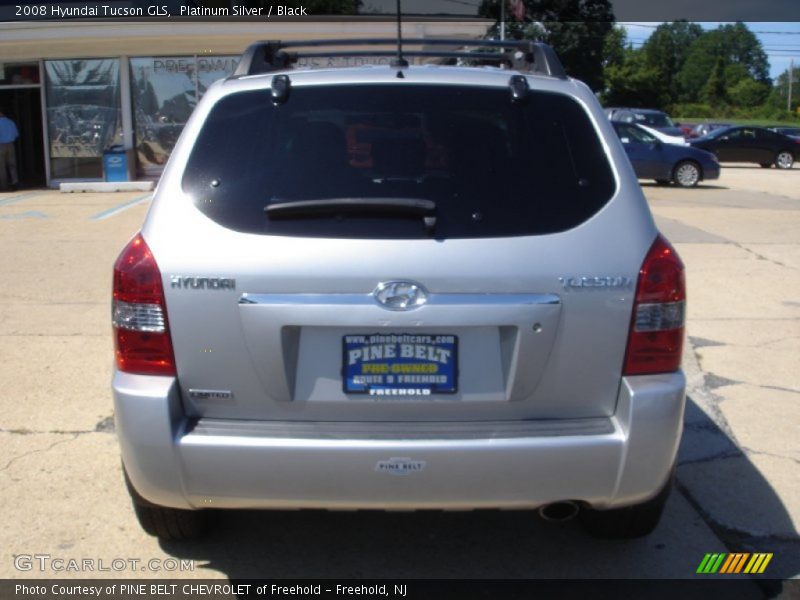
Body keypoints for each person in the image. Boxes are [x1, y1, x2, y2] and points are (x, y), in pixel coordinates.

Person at [0, 108, 20, 191]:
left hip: (1, 145)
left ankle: (3, 185)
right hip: (11, 145)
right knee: (12, 165)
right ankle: (15, 182)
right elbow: (16, 134)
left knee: (1, 166)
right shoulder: (11, 122)